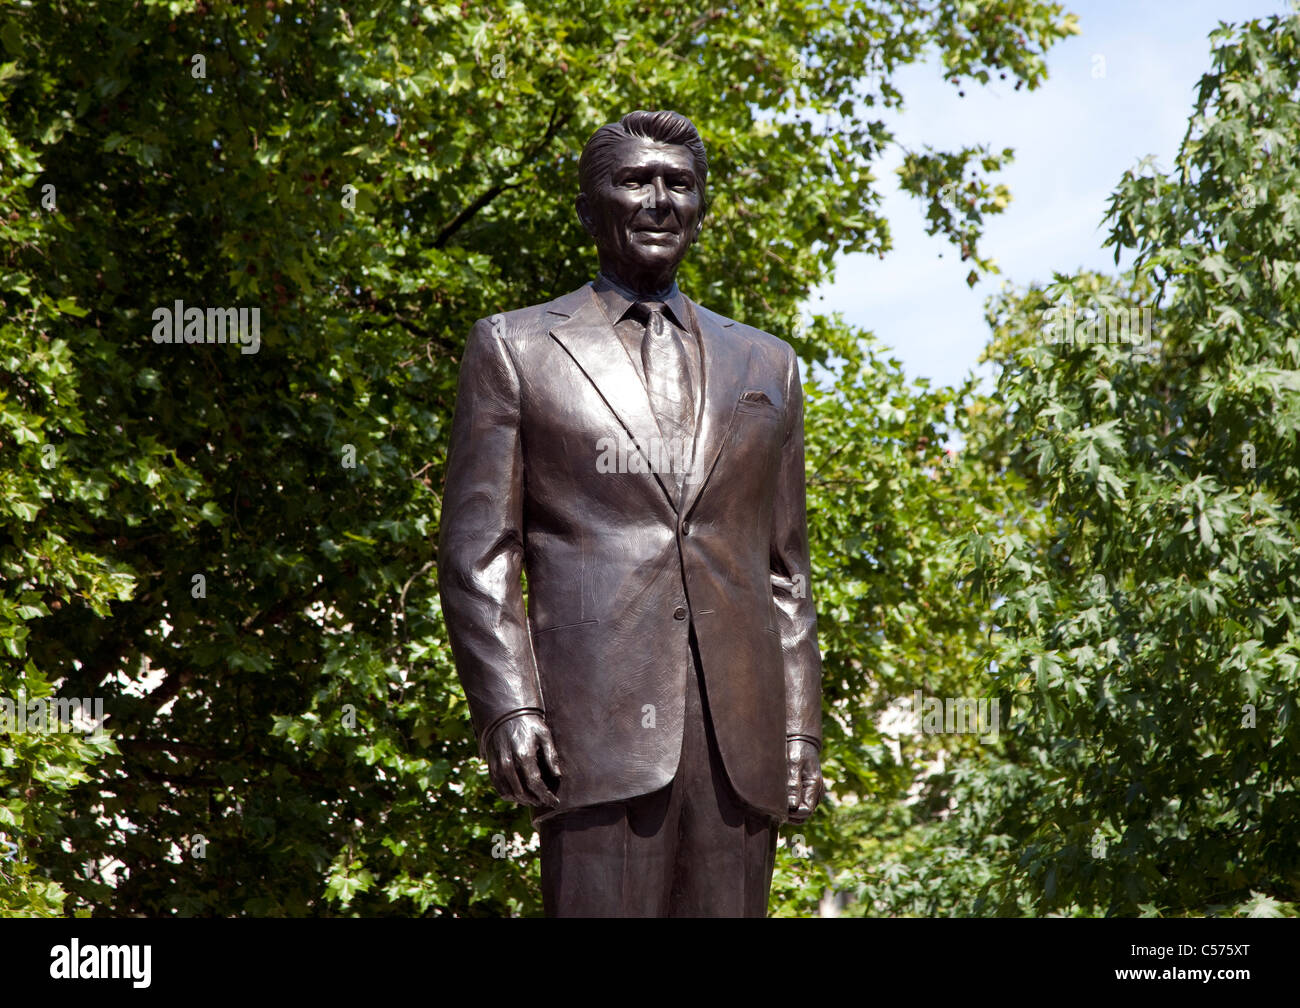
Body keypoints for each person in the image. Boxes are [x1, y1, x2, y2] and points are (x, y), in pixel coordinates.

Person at [438, 109, 823, 916]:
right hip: (594, 730)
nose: (659, 201)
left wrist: (800, 730)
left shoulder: (769, 364)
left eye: (678, 185)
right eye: (635, 181)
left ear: (701, 206)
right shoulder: (515, 347)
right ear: (590, 207)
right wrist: (510, 704)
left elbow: (786, 571)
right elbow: (481, 553)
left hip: (740, 744)